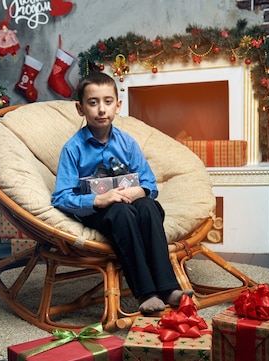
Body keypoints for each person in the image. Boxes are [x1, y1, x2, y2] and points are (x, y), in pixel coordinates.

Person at [51, 72, 192, 314]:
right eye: (93, 103)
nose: (101, 109)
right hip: (99, 211)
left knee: (148, 207)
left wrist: (140, 190)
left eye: (107, 102)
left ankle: (168, 288)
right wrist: (98, 199)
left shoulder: (127, 143)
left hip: (130, 203)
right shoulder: (72, 148)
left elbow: (150, 184)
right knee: (121, 214)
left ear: (118, 106)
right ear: (80, 108)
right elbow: (61, 196)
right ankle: (146, 293)